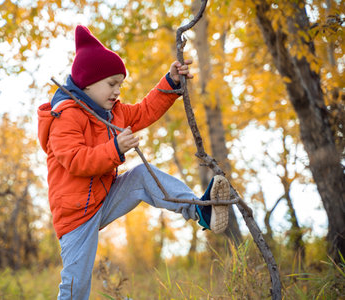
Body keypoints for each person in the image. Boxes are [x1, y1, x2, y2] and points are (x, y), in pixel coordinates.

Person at [38, 25, 231, 300]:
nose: (118, 91)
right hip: (75, 217)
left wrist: (171, 82)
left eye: (120, 84)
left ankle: (200, 211)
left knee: (141, 175)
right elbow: (75, 161)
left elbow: (143, 111)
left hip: (103, 199)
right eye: (111, 83)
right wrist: (114, 148)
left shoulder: (112, 111)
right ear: (87, 83)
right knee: (75, 287)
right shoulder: (65, 116)